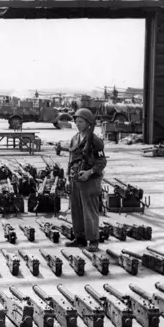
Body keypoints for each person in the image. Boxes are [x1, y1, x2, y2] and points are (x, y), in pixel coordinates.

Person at [65, 108, 107, 252]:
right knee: (76, 210)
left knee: (90, 211)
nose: (77, 124)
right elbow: (71, 159)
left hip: (89, 181)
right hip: (75, 178)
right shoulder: (75, 138)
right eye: (76, 121)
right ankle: (80, 237)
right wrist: (67, 176)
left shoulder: (95, 141)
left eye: (81, 121)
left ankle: (93, 240)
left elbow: (102, 162)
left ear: (89, 123)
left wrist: (89, 172)